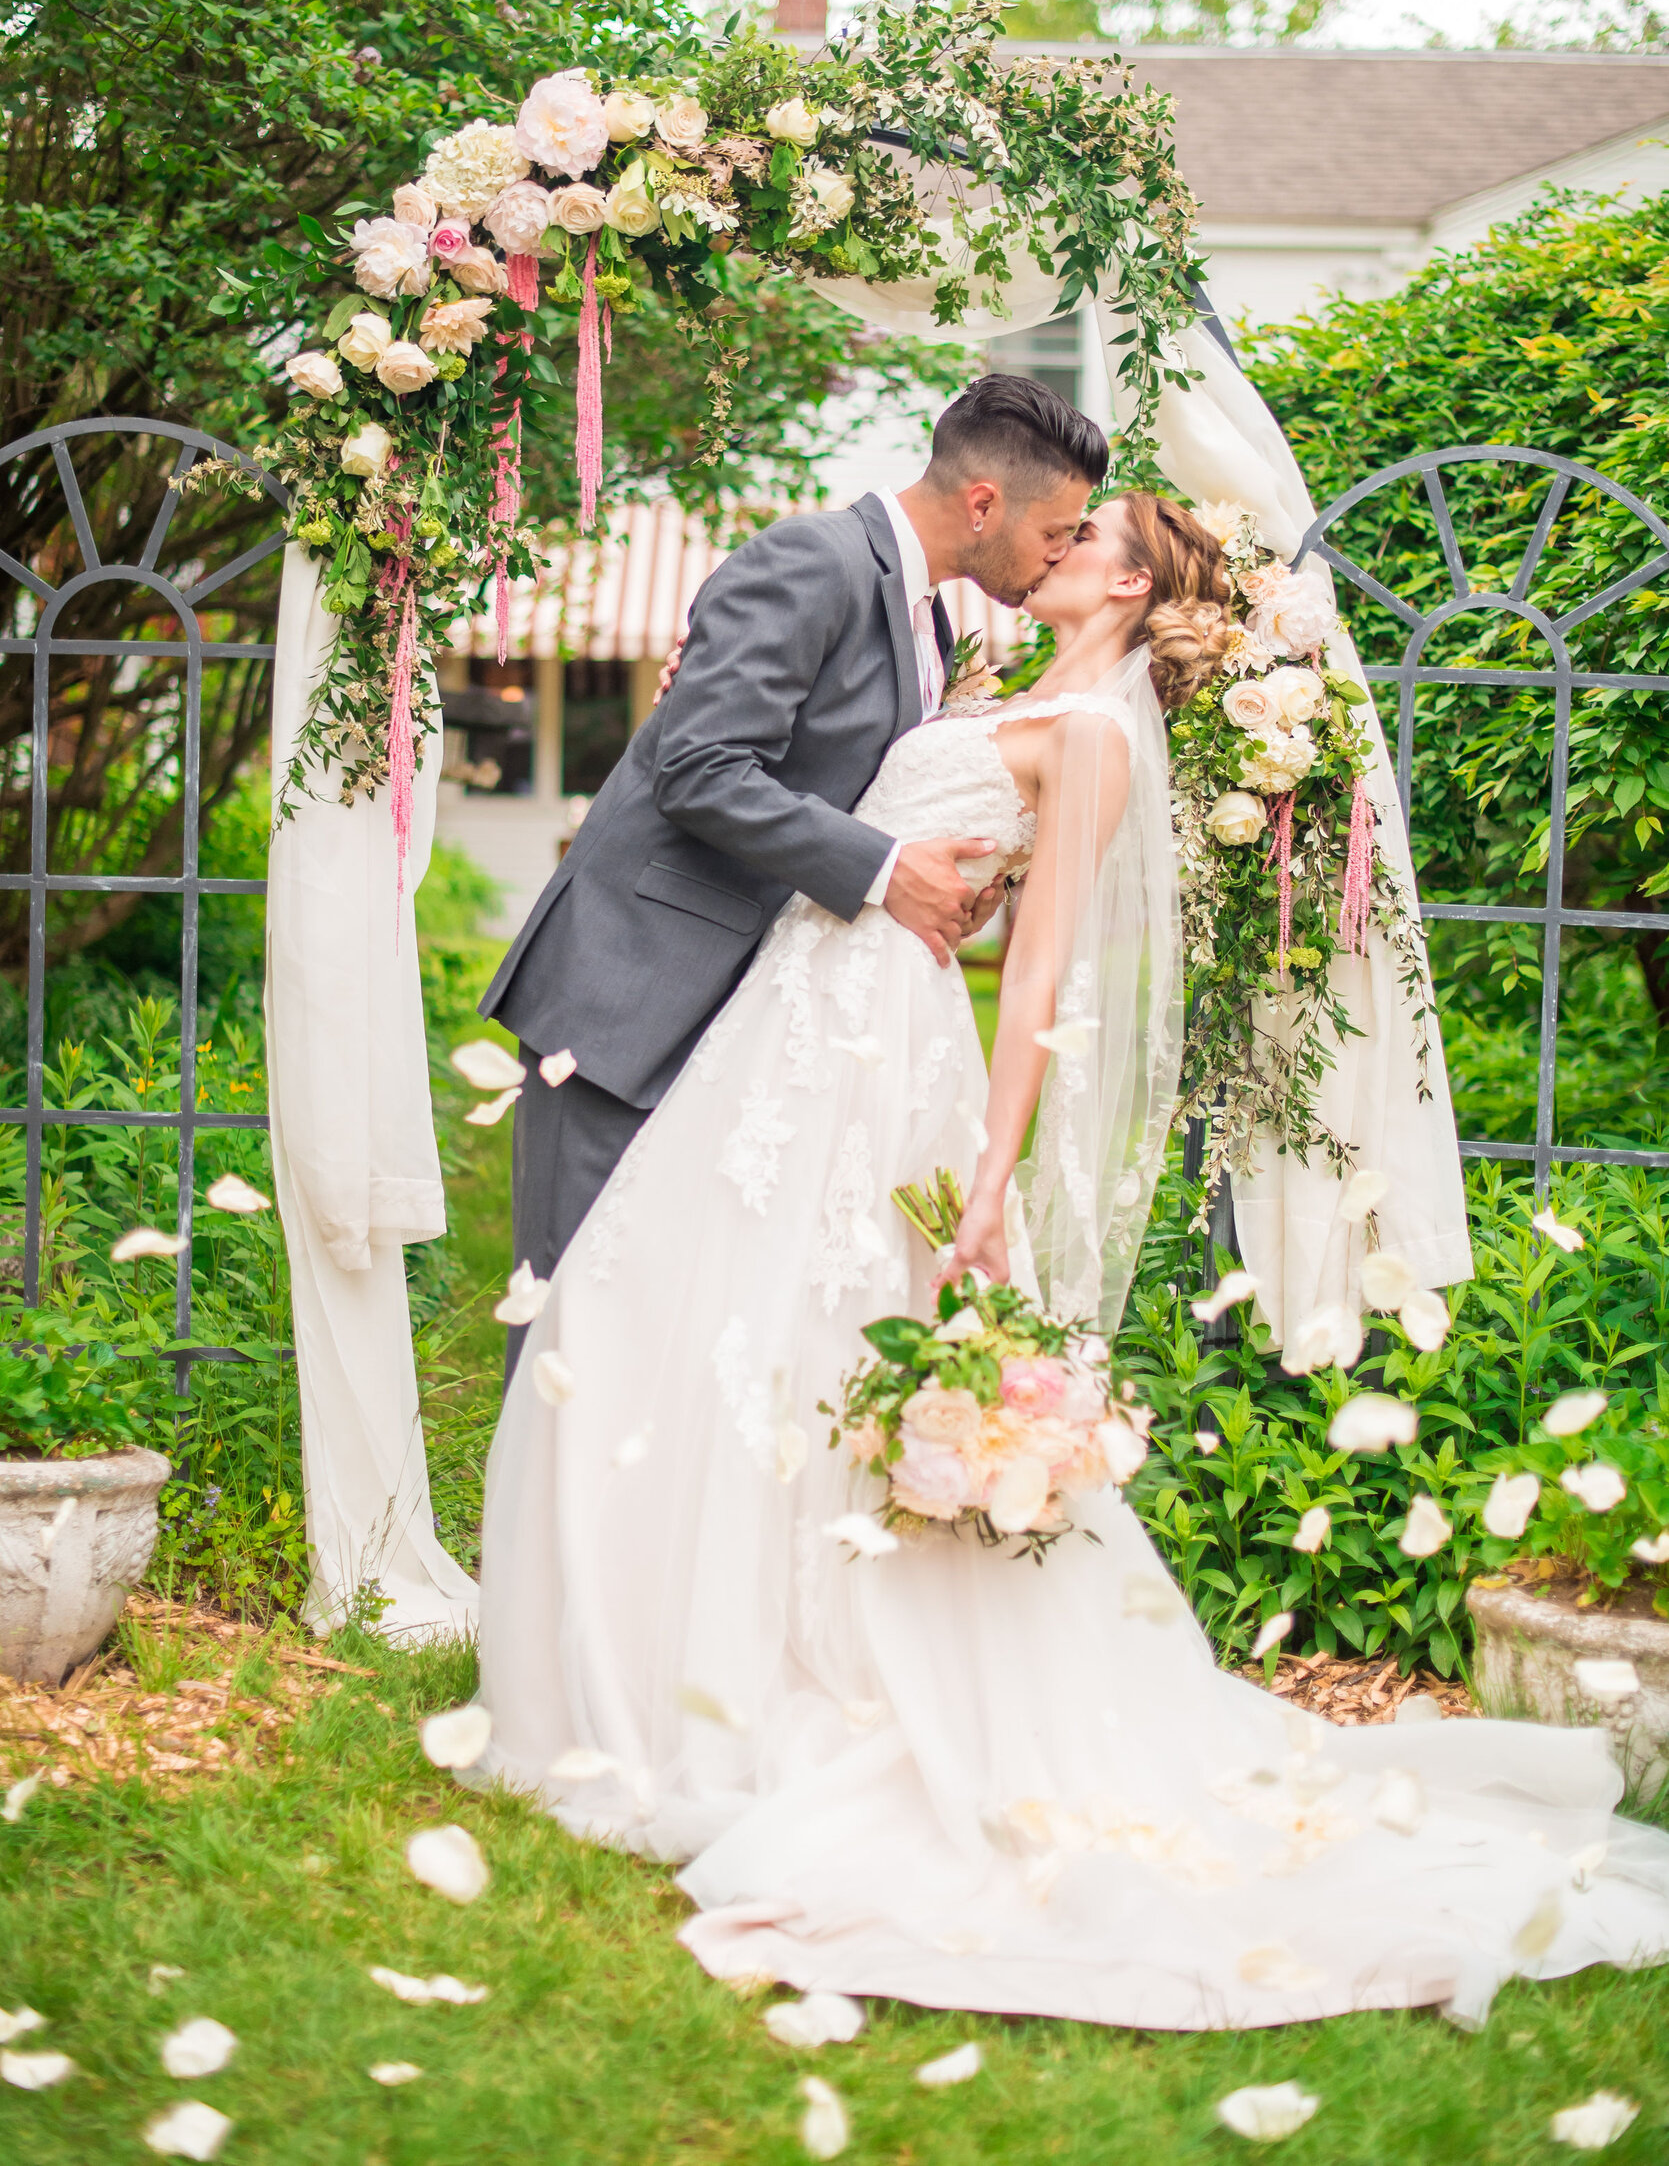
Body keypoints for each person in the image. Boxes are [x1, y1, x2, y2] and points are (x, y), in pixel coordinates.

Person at [472, 490, 1669, 2033]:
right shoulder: (986, 685)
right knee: (672, 1313)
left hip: (883, 1051)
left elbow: (1035, 966)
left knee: (818, 1342)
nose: (1050, 549)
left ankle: (780, 1678)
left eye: (1079, 537)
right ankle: (656, 1658)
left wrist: (992, 1174)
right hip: (781, 1028)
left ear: (1119, 581)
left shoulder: (1094, 735)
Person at [478, 374, 1101, 1384]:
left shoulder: (930, 623)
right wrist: (886, 870)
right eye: (1059, 530)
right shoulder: (811, 561)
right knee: (569, 1323)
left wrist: (938, 868)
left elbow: (847, 792)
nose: (1062, 553)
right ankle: (524, 1547)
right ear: (984, 501)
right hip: (634, 988)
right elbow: (699, 766)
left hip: (760, 1015)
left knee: (666, 1329)